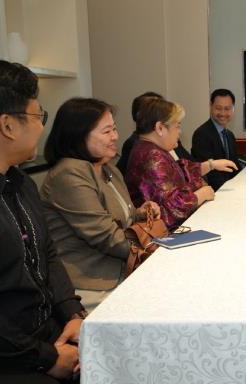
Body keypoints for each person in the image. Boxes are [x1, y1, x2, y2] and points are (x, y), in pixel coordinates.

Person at [0, 59, 85, 383]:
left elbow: (47, 254)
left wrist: (72, 312)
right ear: (8, 125)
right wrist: (45, 358)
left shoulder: (21, 183)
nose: (42, 126)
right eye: (38, 116)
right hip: (9, 358)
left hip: (48, 334)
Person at [40, 98, 161, 311]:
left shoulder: (108, 169)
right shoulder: (69, 173)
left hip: (122, 271)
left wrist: (142, 213)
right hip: (93, 285)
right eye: (107, 132)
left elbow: (124, 219)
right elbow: (107, 237)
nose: (115, 136)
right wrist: (158, 251)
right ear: (78, 134)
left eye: (114, 129)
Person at [126, 98, 237, 229]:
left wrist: (210, 165)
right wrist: (200, 195)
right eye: (177, 126)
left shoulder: (150, 148)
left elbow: (178, 170)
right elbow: (169, 211)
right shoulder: (151, 157)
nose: (179, 131)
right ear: (160, 128)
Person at [116, 91, 194, 175]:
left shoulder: (166, 142)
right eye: (177, 126)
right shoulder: (148, 153)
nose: (179, 131)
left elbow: (188, 165)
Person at [191, 88, 243, 190]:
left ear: (233, 109)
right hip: (215, 192)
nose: (223, 113)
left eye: (227, 108)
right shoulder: (201, 134)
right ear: (211, 106)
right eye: (218, 108)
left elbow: (234, 166)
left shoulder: (229, 135)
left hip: (229, 189)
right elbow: (210, 174)